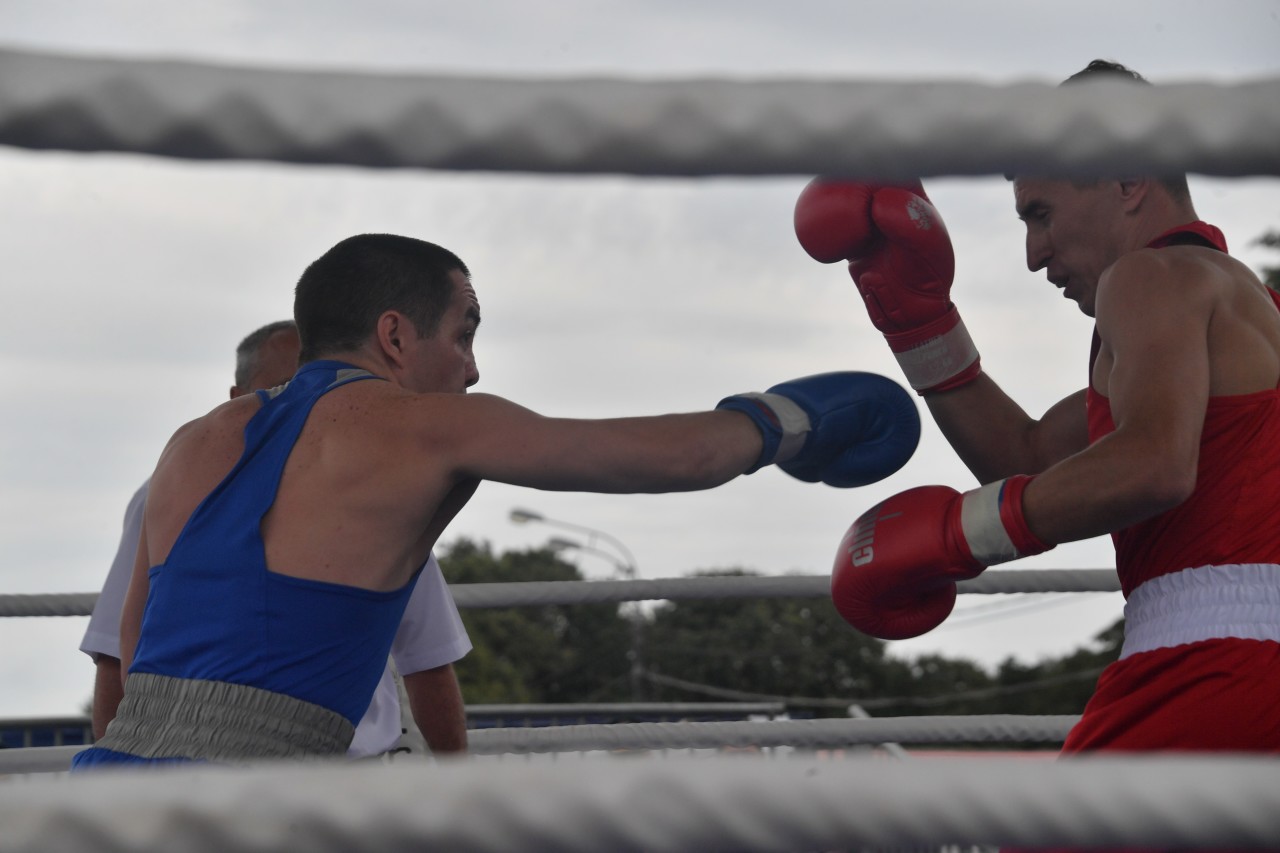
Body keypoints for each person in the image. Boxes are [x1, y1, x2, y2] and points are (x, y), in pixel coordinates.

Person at [71, 232, 920, 768]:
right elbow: (666, 455)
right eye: (465, 332)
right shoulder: (429, 427)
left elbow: (138, 653)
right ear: (397, 334)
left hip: (113, 795)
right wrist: (792, 421)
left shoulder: (191, 442)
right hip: (261, 807)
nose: (473, 367)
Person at [796, 60, 1280, 752]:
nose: (1032, 253)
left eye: (1041, 214)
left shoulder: (1151, 276)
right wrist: (921, 325)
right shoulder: (1240, 305)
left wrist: (960, 532)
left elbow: (1151, 464)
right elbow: (1026, 459)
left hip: (1213, 663)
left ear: (1127, 181)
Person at [78, 319, 471, 761]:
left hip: (354, 782)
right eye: (283, 385)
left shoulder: (383, 492)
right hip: (208, 780)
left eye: (324, 383)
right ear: (235, 399)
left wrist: (462, 789)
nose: (303, 398)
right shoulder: (165, 493)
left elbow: (427, 658)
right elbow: (116, 657)